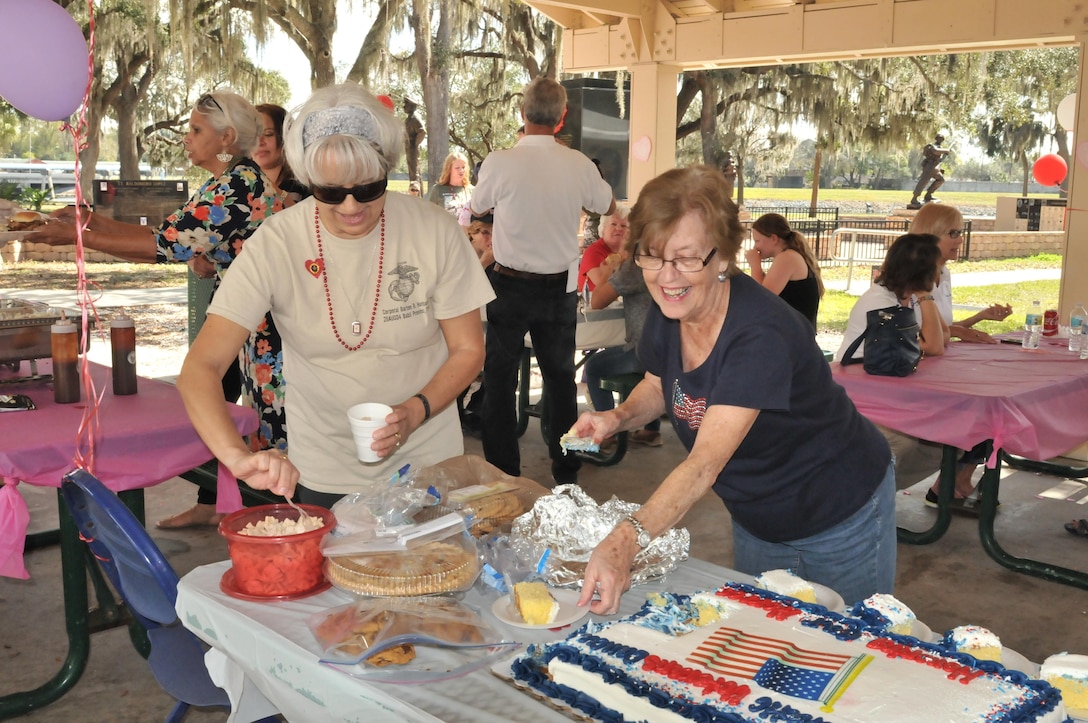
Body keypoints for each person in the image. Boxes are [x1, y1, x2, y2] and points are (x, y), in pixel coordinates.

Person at [572, 165, 894, 614]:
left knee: (849, 648)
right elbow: (659, 383)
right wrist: (618, 417)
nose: (667, 277)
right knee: (765, 644)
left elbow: (704, 464)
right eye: (652, 256)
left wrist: (624, 541)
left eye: (686, 258)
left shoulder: (761, 334)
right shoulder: (670, 314)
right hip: (757, 517)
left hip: (838, 510)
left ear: (722, 257)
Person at [176, 83, 494, 506]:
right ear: (308, 180)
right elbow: (201, 366)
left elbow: (469, 349)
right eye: (329, 192)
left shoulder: (434, 231)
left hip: (430, 466)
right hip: (323, 471)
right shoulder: (277, 242)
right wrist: (236, 457)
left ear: (386, 170)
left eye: (367, 188)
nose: (350, 207)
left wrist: (416, 409)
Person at [26, 90, 285, 529]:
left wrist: (79, 234)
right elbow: (170, 231)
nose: (187, 138)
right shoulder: (229, 180)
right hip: (254, 326)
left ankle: (290, 527)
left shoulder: (239, 184)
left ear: (225, 137)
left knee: (276, 435)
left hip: (273, 330)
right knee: (265, 428)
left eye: (195, 130)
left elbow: (162, 245)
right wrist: (83, 218)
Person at [471, 77, 615, 485]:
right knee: (561, 382)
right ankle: (567, 472)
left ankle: (504, 473)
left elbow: (478, 207)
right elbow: (607, 204)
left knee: (499, 380)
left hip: (509, 284)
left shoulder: (500, 161)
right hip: (558, 288)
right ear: (562, 116)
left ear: (522, 111)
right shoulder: (578, 163)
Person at [910, 203, 1014, 508]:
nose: (959, 239)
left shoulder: (944, 272)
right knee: (982, 405)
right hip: (919, 371)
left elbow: (943, 329)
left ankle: (956, 480)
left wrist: (979, 319)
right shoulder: (914, 276)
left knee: (996, 397)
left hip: (940, 364)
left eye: (960, 232)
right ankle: (952, 482)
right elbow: (921, 334)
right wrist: (961, 331)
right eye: (952, 233)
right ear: (931, 236)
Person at [584, 254, 662, 447]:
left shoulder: (634, 266)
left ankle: (607, 433)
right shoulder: (662, 259)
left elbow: (597, 301)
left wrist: (606, 274)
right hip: (665, 346)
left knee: (593, 366)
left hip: (643, 351)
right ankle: (651, 430)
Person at [745, 212, 824, 329]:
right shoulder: (789, 256)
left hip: (794, 337)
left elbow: (762, 299)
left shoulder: (787, 258)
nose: (755, 247)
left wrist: (755, 266)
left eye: (758, 241)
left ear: (773, 239)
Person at [254, 103, 308, 206]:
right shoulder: (242, 181)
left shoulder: (303, 182)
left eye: (268, 134)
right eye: (253, 136)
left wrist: (278, 192)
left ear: (285, 137)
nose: (260, 142)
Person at [577, 204, 630, 294]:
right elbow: (605, 286)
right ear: (603, 228)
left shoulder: (631, 251)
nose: (618, 228)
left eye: (623, 226)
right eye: (613, 224)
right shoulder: (593, 252)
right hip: (596, 306)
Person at [909, 133, 950, 208]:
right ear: (936, 139)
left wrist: (945, 155)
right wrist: (946, 150)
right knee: (923, 181)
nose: (940, 140)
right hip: (929, 166)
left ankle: (928, 195)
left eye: (942, 139)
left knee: (940, 180)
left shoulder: (940, 147)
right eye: (939, 138)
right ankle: (914, 198)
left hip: (935, 167)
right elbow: (935, 151)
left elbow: (940, 159)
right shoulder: (931, 146)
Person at [425, 151, 471, 217]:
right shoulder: (437, 189)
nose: (461, 170)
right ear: (449, 169)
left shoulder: (473, 190)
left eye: (463, 167)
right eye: (457, 168)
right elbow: (428, 215)